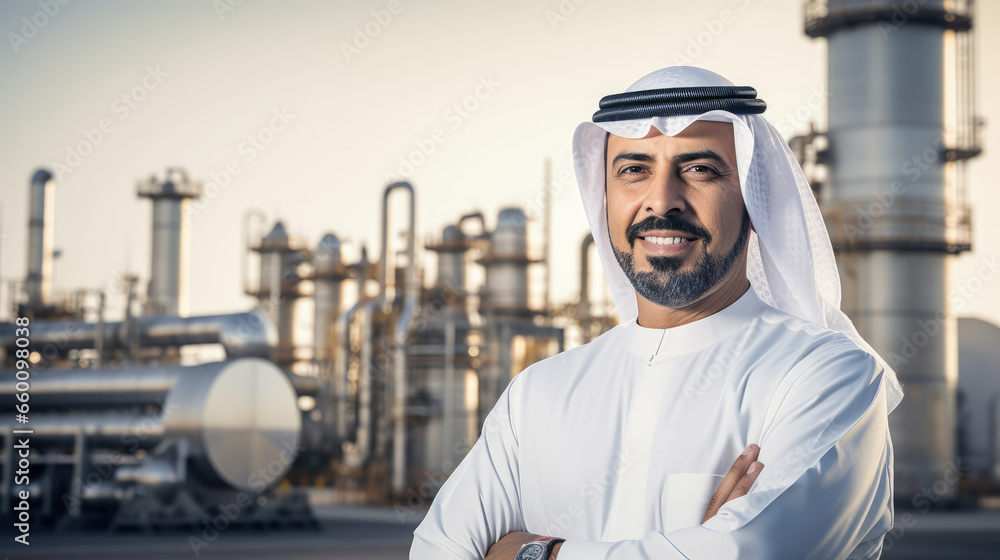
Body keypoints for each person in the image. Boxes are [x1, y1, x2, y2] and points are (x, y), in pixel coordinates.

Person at [409, 66, 902, 560]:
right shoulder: (538, 392)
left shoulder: (827, 375)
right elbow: (435, 551)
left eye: (700, 169)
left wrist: (533, 553)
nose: (662, 201)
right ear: (605, 199)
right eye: (634, 170)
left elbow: (748, 552)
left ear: (754, 201)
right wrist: (695, 545)